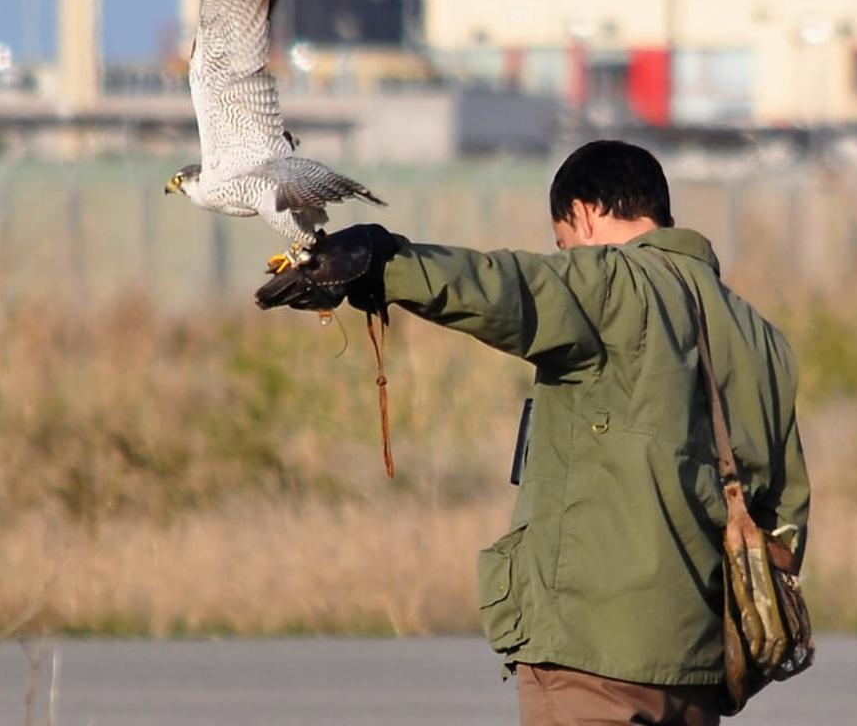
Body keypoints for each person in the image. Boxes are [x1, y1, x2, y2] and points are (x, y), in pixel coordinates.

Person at [256, 140, 810, 725]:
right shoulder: (762, 338)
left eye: (562, 240)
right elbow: (786, 515)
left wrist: (381, 261)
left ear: (586, 212)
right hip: (698, 671)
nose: (565, 255)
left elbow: (505, 287)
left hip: (593, 660)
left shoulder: (613, 282)